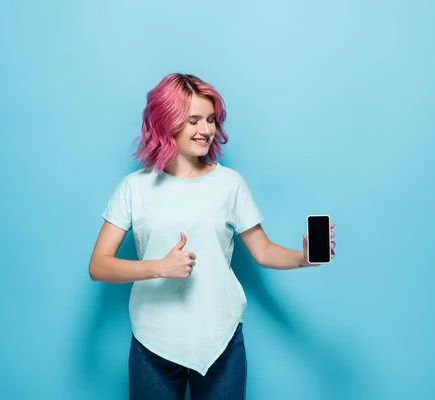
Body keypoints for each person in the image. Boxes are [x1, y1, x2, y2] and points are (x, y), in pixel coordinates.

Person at [88, 73, 336, 400]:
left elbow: (262, 251)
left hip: (221, 341)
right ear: (166, 121)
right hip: (154, 342)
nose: (206, 130)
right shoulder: (134, 188)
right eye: (193, 120)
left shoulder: (229, 184)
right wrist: (159, 267)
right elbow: (99, 266)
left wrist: (303, 258)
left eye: (210, 119)